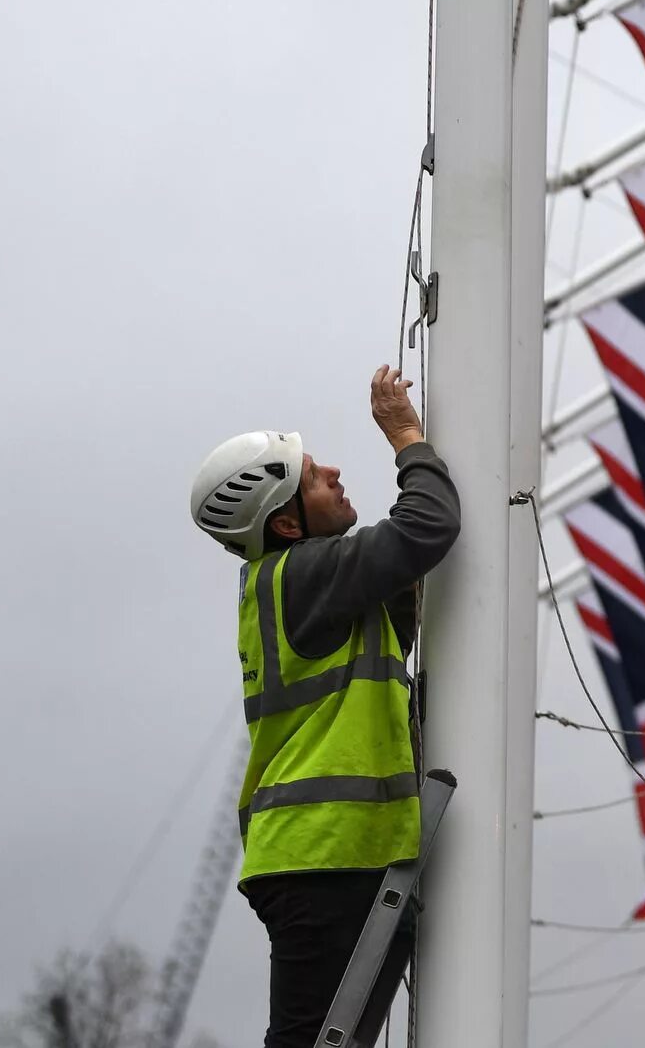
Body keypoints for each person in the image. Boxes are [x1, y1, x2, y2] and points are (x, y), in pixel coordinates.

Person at [188, 366, 459, 1048]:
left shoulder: (288, 584)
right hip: (326, 850)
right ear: (286, 522)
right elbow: (427, 525)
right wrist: (406, 437)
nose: (334, 472)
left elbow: (396, 591)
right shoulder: (304, 572)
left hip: (319, 852)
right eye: (313, 477)